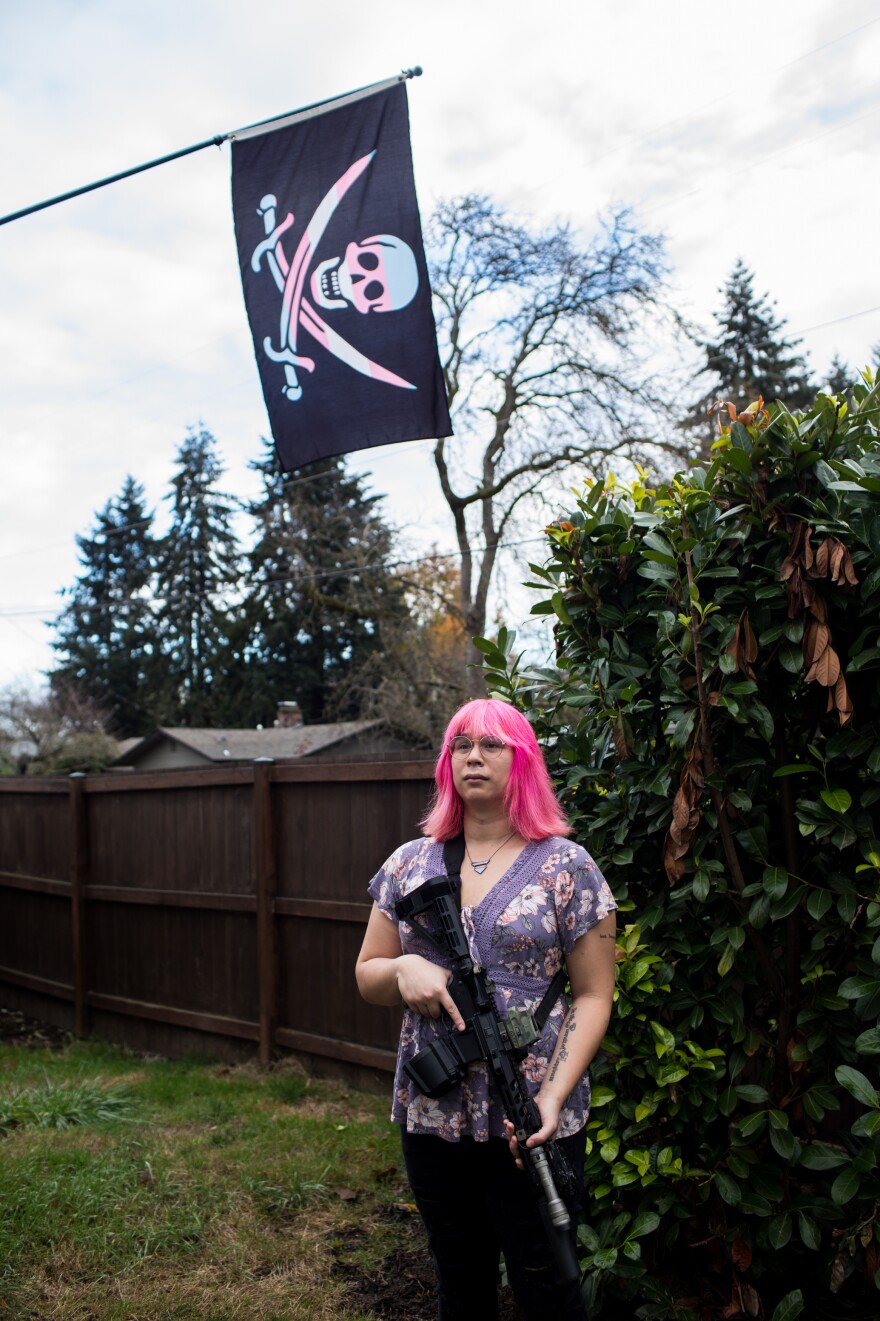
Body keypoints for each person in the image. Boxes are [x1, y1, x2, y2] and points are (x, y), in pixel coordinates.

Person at [355, 698, 617, 1321]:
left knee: (547, 1289)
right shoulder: (409, 863)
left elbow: (593, 994)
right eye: (461, 745)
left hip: (528, 1122)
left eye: (492, 744)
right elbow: (367, 976)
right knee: (460, 1283)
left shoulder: (567, 868)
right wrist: (402, 969)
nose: (474, 755)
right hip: (434, 1114)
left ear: (523, 760)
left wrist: (552, 1098)